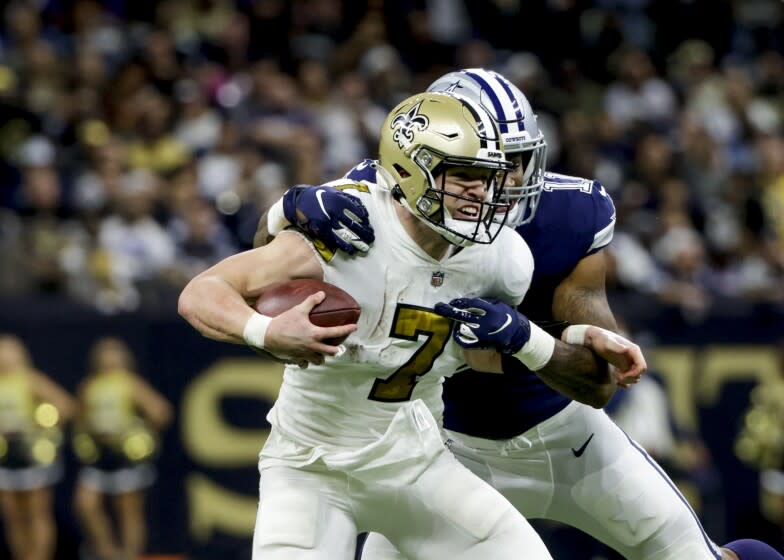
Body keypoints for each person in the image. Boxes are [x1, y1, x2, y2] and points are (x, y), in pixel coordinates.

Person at [259, 69, 783, 560]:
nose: (501, 182)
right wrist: (282, 213)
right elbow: (265, 271)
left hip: (567, 438)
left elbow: (601, 383)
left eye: (515, 162)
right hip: (447, 454)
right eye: (474, 167)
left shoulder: (569, 217)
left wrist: (525, 336)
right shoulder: (385, 198)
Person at [180, 91, 645, 559]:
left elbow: (481, 339)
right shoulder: (348, 227)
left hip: (417, 462)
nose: (480, 193)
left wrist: (578, 335)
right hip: (310, 468)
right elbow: (202, 292)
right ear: (410, 170)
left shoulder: (502, 259)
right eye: (463, 175)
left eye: (486, 178)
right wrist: (265, 331)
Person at [72, 337, 173, 560]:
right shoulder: (90, 386)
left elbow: (160, 412)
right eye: (105, 354)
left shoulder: (131, 384)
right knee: (86, 504)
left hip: (126, 456)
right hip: (99, 455)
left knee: (128, 509)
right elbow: (79, 417)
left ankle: (129, 555)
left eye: (114, 354)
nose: (109, 360)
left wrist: (139, 432)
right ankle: (107, 552)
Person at [0, 334, 77, 560]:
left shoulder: (29, 380)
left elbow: (65, 406)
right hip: (5, 458)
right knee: (13, 515)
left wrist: (39, 426)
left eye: (9, 351)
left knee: (37, 513)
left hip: (31, 455)